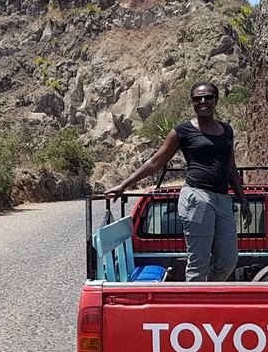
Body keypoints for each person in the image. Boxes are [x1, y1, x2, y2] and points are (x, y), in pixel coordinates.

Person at [106, 82, 250, 281]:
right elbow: (155, 161)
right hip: (197, 198)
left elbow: (231, 168)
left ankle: (202, 294)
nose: (203, 101)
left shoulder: (226, 130)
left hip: (223, 199)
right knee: (198, 261)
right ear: (192, 103)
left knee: (228, 260)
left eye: (208, 97)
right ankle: (195, 307)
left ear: (216, 100)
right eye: (197, 98)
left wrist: (243, 200)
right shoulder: (182, 131)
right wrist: (124, 184)